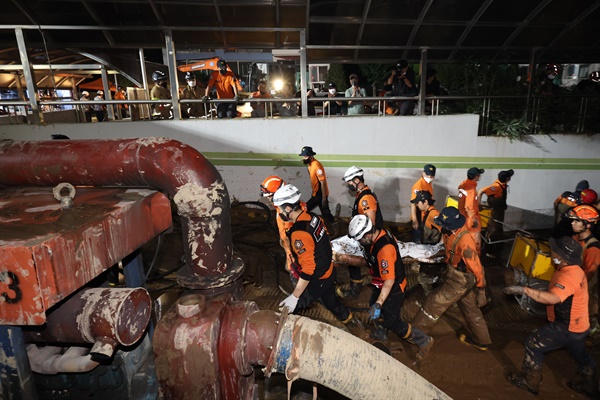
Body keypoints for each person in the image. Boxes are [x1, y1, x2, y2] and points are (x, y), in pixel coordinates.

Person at [504, 237, 598, 397]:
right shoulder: (575, 270)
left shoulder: (568, 277)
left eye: (554, 250)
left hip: (566, 327)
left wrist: (525, 290)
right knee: (579, 352)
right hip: (580, 326)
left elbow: (553, 298)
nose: (551, 252)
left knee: (533, 343)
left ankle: (529, 381)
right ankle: (589, 384)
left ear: (562, 257)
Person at [274, 185, 361, 332]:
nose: (279, 212)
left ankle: (283, 333)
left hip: (317, 279)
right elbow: (325, 242)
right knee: (331, 302)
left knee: (291, 308)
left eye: (280, 209)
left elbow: (308, 269)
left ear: (288, 208)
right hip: (328, 272)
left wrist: (295, 296)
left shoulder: (299, 233)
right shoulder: (313, 218)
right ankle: (352, 321)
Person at [347, 214, 434, 361]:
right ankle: (382, 331)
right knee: (373, 303)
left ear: (368, 235)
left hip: (393, 288)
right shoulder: (378, 233)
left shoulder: (384, 250)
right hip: (379, 281)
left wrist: (379, 304)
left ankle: (424, 340)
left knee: (392, 320)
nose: (360, 243)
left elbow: (389, 281)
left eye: (361, 239)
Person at [411, 207, 491, 351]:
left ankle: (415, 336)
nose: (442, 227)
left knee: (433, 302)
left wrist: (481, 291)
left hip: (460, 280)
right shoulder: (450, 231)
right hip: (456, 274)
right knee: (470, 308)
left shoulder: (466, 242)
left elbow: (477, 268)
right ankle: (483, 341)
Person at [337, 166, 385, 299]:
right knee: (353, 263)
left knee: (369, 265)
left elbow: (371, 223)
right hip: (364, 237)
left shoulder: (366, 199)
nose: (349, 185)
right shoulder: (361, 194)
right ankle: (356, 287)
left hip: (369, 239)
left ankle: (375, 294)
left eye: (350, 182)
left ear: (357, 180)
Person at [259, 175, 307, 282]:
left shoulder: (291, 213)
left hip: (295, 248)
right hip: (287, 243)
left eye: (270, 196)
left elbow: (297, 237)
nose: (268, 198)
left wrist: (291, 254)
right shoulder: (283, 207)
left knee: (294, 270)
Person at [567, 205, 600, 344]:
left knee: (588, 311)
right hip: (574, 280)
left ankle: (594, 336)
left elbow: (590, 271)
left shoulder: (593, 247)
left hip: (586, 285)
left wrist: (576, 287)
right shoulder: (575, 237)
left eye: (576, 221)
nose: (572, 223)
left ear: (587, 225)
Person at [478, 169, 514, 257]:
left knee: (498, 229)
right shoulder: (496, 187)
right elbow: (481, 191)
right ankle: (487, 251)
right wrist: (479, 204)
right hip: (495, 211)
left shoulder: (503, 185)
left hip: (500, 211)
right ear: (507, 179)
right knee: (493, 231)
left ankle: (496, 248)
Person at [298, 146, 334, 223]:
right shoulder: (310, 165)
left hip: (320, 194)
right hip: (316, 194)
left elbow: (323, 183)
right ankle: (334, 224)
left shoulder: (316, 165)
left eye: (306, 156)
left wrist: (324, 199)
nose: (304, 158)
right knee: (325, 212)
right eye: (304, 156)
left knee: (305, 210)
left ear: (311, 156)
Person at [458, 167, 484, 254]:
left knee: (464, 240)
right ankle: (474, 263)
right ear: (476, 176)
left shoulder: (463, 185)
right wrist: (474, 220)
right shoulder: (471, 190)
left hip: (462, 218)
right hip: (470, 221)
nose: (479, 177)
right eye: (478, 175)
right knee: (474, 243)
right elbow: (469, 207)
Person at [410, 164, 436, 243]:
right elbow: (413, 203)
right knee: (418, 238)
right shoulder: (418, 186)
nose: (429, 177)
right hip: (419, 214)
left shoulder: (428, 183)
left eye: (431, 176)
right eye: (427, 175)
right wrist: (415, 219)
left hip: (425, 213)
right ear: (423, 173)